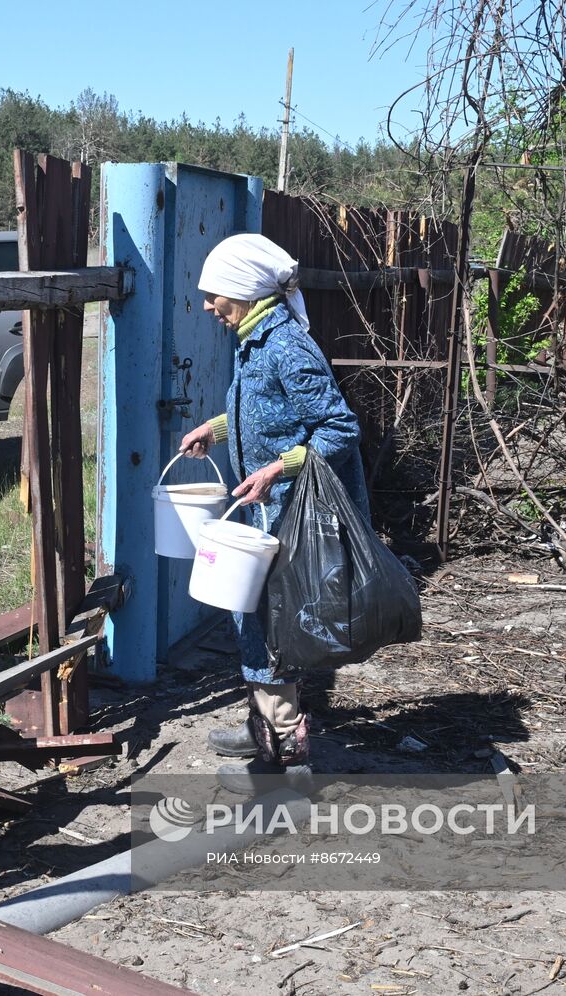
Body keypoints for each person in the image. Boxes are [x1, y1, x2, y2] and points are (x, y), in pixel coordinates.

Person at [179, 232, 370, 793]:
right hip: (263, 509)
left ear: (243, 291)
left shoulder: (286, 346)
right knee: (251, 616)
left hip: (286, 512)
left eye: (215, 295)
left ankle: (288, 764)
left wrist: (275, 469)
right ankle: (261, 726)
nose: (209, 306)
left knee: (270, 623)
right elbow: (267, 411)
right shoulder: (254, 338)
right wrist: (214, 430)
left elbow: (339, 427)